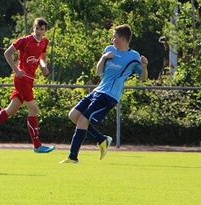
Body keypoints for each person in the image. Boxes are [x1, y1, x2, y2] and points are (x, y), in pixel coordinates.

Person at [61, 24, 148, 164]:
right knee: (73, 115)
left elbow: (143, 78)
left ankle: (72, 157)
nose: (112, 39)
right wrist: (103, 57)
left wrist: (144, 66)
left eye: (114, 37)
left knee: (83, 119)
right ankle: (101, 139)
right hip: (98, 90)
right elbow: (98, 72)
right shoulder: (109, 49)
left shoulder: (134, 56)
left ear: (122, 38)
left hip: (109, 96)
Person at [0, 17, 55, 153]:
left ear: (45, 31)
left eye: (41, 29)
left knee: (11, 110)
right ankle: (37, 145)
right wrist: (16, 70)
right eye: (37, 28)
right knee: (34, 109)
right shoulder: (24, 40)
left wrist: (44, 66)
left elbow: (42, 56)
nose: (39, 31)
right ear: (33, 28)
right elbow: (7, 53)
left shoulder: (44, 42)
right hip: (22, 78)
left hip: (30, 80)